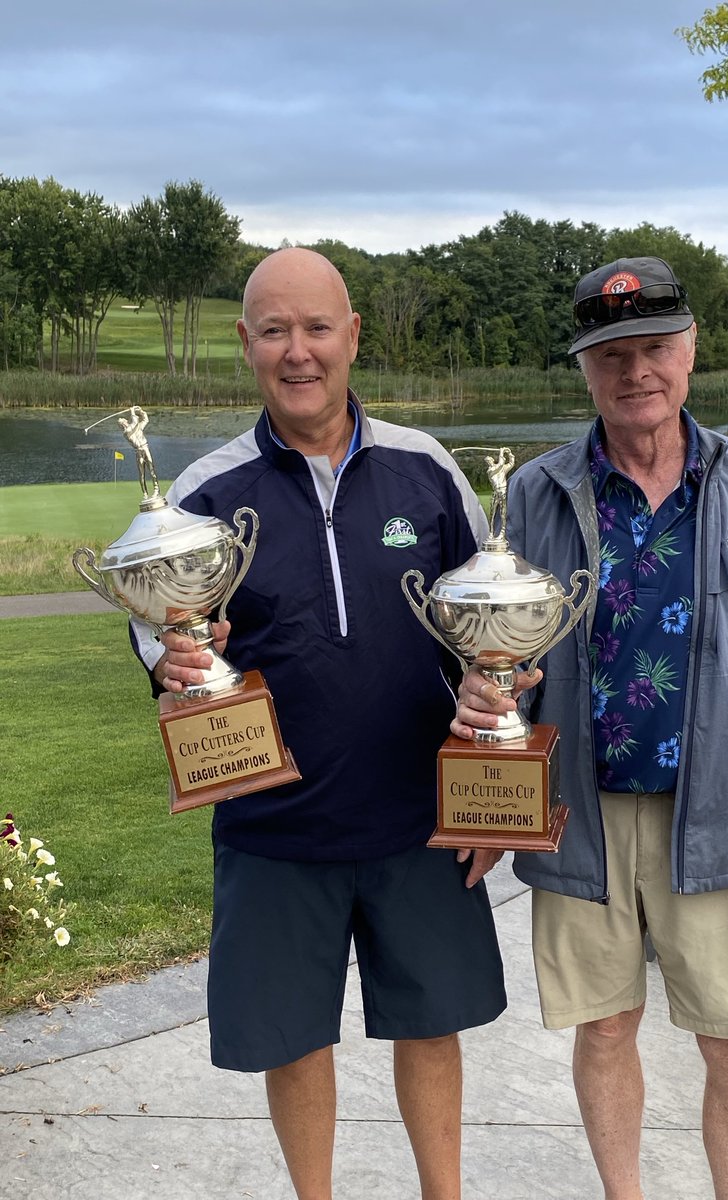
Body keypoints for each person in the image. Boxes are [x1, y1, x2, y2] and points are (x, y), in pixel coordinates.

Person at [452, 255, 728, 1200]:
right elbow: (497, 660)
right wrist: (486, 762)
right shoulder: (535, 494)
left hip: (722, 819)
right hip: (583, 814)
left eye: (656, 348)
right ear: (585, 367)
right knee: (606, 1029)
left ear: (691, 350)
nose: (637, 372)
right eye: (612, 353)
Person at [130, 247, 507, 1200]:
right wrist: (173, 662)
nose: (298, 352)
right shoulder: (204, 496)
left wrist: (491, 791)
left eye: (317, 328)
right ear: (246, 343)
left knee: (430, 1026)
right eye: (273, 330)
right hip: (273, 828)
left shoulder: (425, 471)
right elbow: (160, 643)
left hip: (414, 823)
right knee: (294, 1041)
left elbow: (489, 638)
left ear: (352, 337)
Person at [118, 404, 159, 499]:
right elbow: (134, 422)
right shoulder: (126, 432)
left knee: (152, 470)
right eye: (121, 423)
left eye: (123, 421)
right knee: (142, 474)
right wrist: (132, 411)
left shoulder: (138, 426)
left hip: (145, 448)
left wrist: (140, 411)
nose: (123, 423)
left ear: (126, 420)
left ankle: (156, 490)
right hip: (139, 452)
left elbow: (145, 419)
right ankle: (145, 493)